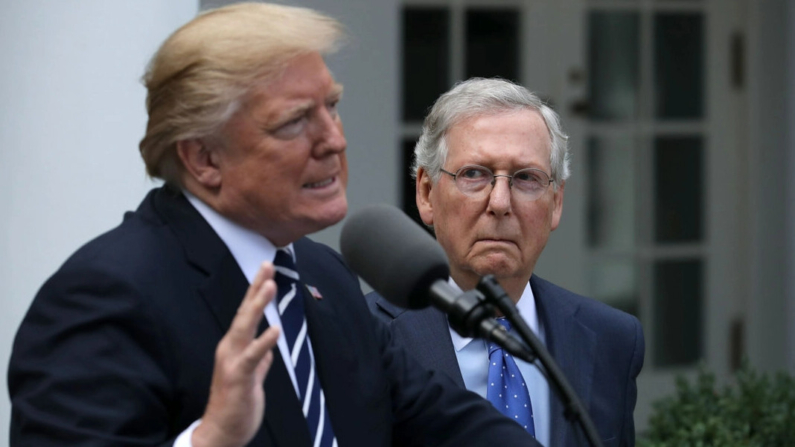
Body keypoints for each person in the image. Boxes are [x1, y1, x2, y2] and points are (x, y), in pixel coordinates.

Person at [7, 5, 540, 447]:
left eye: (331, 106)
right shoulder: (103, 296)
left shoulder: (321, 275)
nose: (333, 139)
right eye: (293, 122)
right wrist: (210, 439)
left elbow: (445, 422)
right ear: (203, 158)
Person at [366, 78, 645, 446]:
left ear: (556, 202)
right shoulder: (364, 336)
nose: (499, 202)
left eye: (526, 178)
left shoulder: (611, 339)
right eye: (474, 174)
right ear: (427, 193)